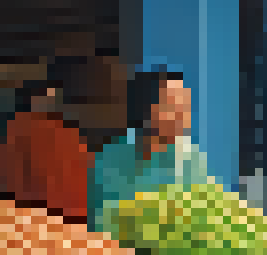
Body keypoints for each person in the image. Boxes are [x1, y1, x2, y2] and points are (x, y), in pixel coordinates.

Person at [88, 69, 218, 225]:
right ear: (146, 108)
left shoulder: (189, 158)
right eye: (172, 106)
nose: (183, 115)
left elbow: (207, 211)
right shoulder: (112, 159)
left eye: (185, 105)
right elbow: (102, 220)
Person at [0, 58, 94, 222]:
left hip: (52, 218)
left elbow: (12, 182)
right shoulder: (25, 129)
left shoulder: (64, 131)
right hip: (61, 217)